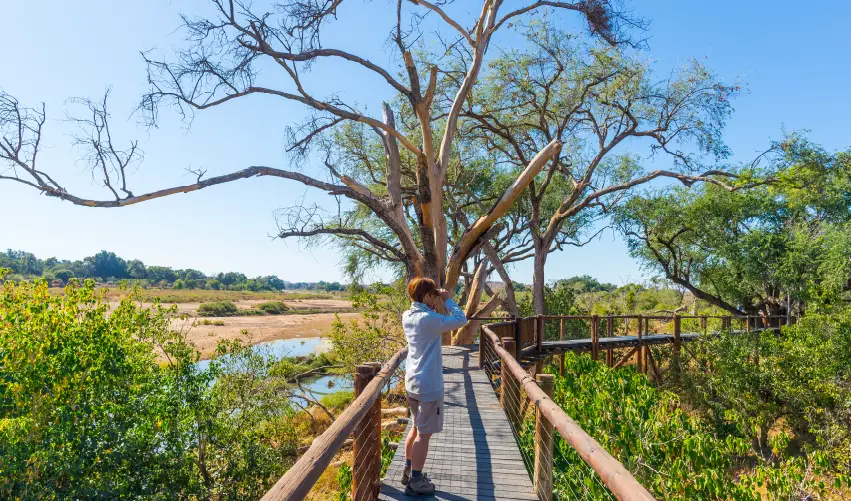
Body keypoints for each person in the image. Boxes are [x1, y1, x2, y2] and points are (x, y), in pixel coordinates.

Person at [401, 277, 467, 495]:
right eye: (433, 295)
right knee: (424, 434)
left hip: (412, 382)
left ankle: (408, 470)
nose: (435, 299)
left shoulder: (407, 316)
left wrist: (436, 300)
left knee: (415, 428)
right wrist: (448, 300)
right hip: (428, 385)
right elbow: (461, 320)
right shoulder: (428, 319)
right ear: (427, 295)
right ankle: (416, 482)